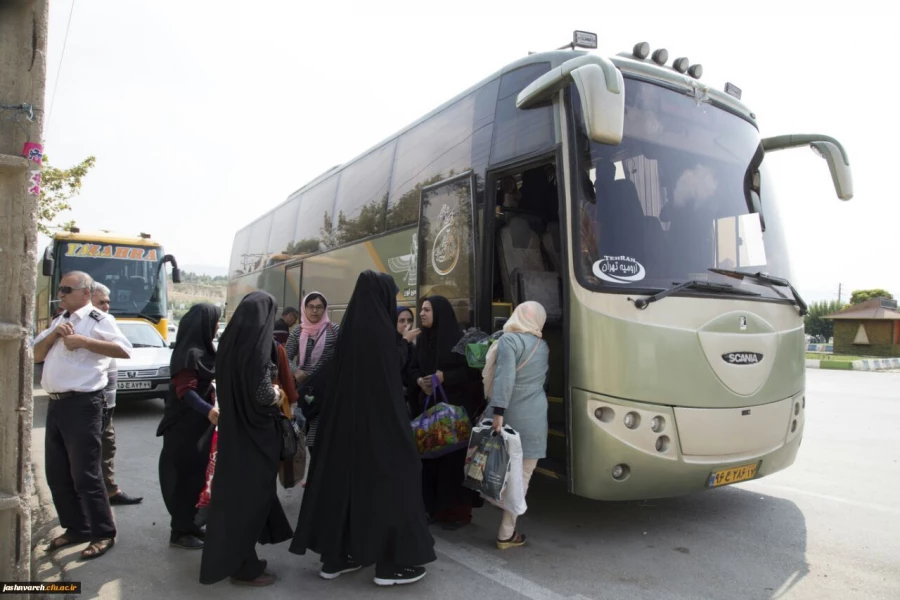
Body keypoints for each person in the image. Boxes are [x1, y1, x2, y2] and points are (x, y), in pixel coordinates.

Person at [290, 271, 436, 586]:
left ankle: (337, 558)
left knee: (343, 489)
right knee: (396, 484)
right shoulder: (383, 336)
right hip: (378, 433)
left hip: (339, 434)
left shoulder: (348, 334)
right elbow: (387, 395)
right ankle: (391, 566)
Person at [34, 271, 132, 560]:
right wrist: (54, 335)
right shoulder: (59, 319)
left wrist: (85, 342)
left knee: (86, 474)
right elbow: (36, 354)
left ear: (86, 293)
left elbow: (125, 350)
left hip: (83, 404)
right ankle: (77, 527)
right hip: (57, 404)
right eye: (61, 288)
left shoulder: (99, 320)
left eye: (67, 289)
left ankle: (103, 533)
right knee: (58, 473)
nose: (60, 293)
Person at [199, 291, 293, 587]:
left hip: (233, 432)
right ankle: (243, 568)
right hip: (257, 436)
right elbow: (264, 395)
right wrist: (279, 394)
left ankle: (241, 560)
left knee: (236, 501)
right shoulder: (259, 349)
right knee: (250, 502)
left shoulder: (228, 344)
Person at [407, 296, 484, 530]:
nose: (421, 314)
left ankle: (455, 513)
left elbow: (473, 376)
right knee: (429, 462)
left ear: (439, 313)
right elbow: (412, 369)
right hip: (429, 412)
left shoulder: (459, 341)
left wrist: (444, 377)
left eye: (427, 310)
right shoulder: (422, 341)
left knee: (452, 464)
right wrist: (419, 380)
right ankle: (431, 508)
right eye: (421, 310)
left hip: (453, 415)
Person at [481, 301, 549, 550]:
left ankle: (493, 503)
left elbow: (504, 379)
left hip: (510, 413)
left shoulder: (509, 341)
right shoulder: (543, 345)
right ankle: (506, 532)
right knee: (524, 475)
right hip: (535, 415)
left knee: (498, 465)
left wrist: (497, 413)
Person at [157, 303, 221, 550]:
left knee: (196, 478)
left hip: (197, 427)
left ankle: (191, 525)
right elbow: (186, 391)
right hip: (183, 429)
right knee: (185, 480)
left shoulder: (202, 350)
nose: (217, 327)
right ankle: (180, 531)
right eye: (215, 322)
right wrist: (210, 410)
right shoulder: (190, 353)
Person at [90, 283, 144, 506]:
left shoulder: (104, 327)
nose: (107, 306)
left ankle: (110, 491)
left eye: (108, 302)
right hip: (92, 402)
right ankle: (93, 498)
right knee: (91, 451)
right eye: (101, 302)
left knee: (107, 446)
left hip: (106, 404)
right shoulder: (88, 327)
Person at [286, 292, 338, 450]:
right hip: (305, 389)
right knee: (304, 425)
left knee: (318, 431)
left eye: (319, 307)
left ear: (325, 309)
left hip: (327, 389)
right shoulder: (298, 331)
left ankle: (317, 461)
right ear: (304, 308)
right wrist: (296, 371)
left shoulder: (334, 330)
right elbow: (285, 358)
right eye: (310, 307)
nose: (314, 311)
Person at [396, 307, 419, 400]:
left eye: (409, 320)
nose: (406, 324)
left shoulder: (411, 345)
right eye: (401, 321)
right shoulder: (388, 343)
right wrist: (405, 341)